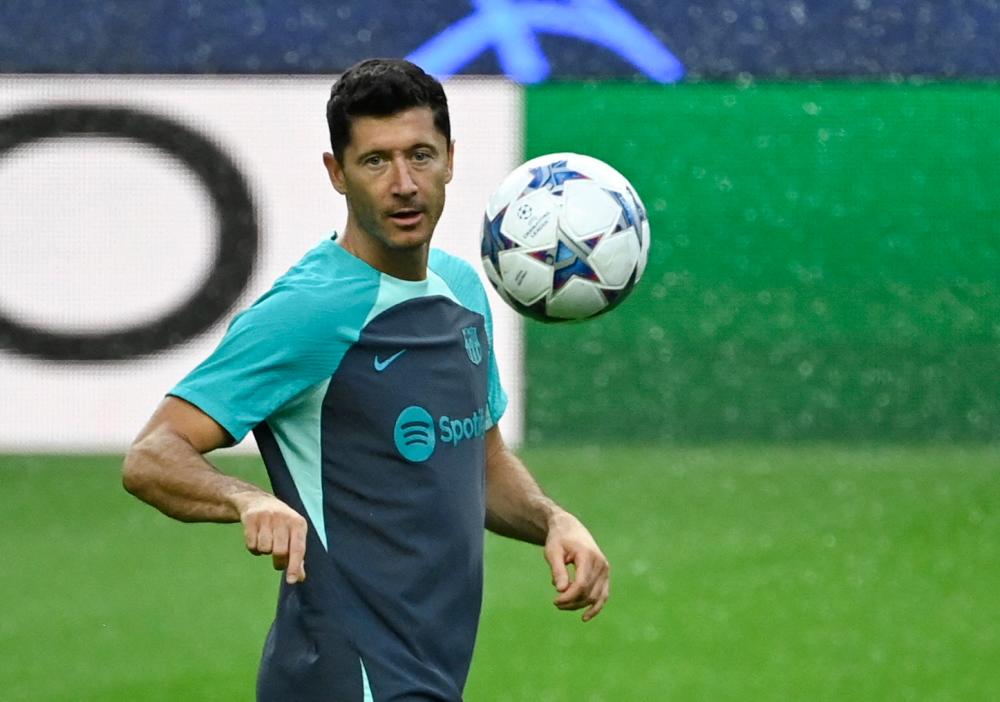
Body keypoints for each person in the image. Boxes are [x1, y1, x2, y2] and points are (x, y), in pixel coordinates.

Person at [122, 57, 610, 702]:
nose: (404, 183)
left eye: (421, 155)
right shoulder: (309, 313)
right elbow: (152, 455)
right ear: (337, 173)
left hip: (427, 676)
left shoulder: (463, 290)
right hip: (344, 678)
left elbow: (481, 462)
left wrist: (553, 520)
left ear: (452, 159)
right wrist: (248, 500)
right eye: (376, 161)